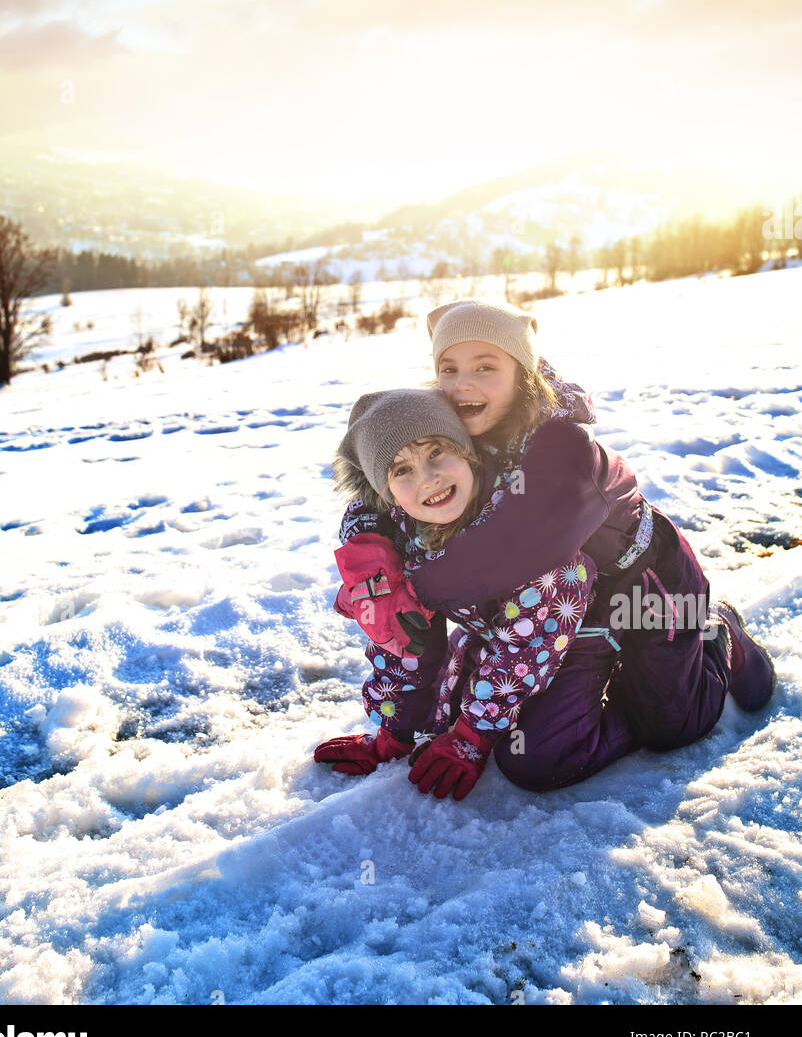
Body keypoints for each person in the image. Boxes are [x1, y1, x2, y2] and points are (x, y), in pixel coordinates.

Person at [328, 300, 777, 794]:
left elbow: (515, 549)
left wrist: (472, 732)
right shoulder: (460, 449)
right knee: (513, 736)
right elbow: (403, 630)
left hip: (644, 585)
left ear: (523, 371)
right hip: (563, 613)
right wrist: (394, 732)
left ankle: (718, 636)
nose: (464, 383)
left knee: (675, 723)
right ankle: (596, 689)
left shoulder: (557, 448)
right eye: (449, 369)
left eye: (486, 366)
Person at [314, 388, 597, 800]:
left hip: (597, 631)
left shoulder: (523, 526)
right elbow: (404, 639)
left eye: (436, 452)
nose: (427, 478)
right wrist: (395, 733)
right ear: (388, 492)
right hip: (507, 632)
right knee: (444, 716)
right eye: (400, 470)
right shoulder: (402, 538)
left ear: (468, 452)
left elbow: (529, 644)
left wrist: (473, 736)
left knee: (538, 758)